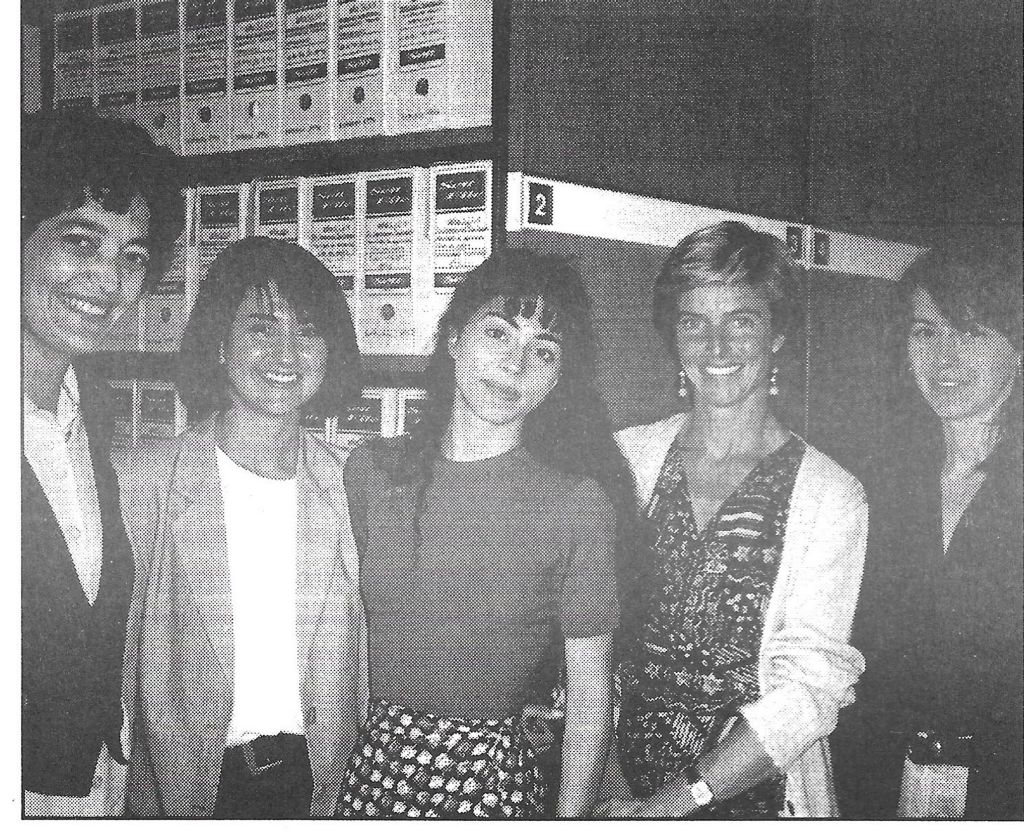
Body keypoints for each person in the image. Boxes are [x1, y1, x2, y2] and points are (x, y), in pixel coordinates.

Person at [335, 249, 622, 818]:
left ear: (560, 376)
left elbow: (592, 700)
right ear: (453, 339)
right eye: (499, 333)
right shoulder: (371, 471)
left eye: (542, 351)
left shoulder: (576, 504)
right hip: (368, 767)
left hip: (488, 784)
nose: (515, 367)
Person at [595, 221, 868, 818]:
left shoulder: (830, 495)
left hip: (750, 800)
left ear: (776, 335)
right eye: (694, 321)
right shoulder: (625, 458)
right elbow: (595, 636)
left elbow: (810, 691)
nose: (716, 347)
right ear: (673, 335)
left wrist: (678, 801)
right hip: (614, 791)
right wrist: (607, 782)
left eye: (741, 319)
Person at [119, 237, 367, 818]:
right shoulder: (143, 479)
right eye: (261, 326)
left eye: (307, 330)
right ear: (220, 347)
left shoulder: (355, 485)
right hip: (192, 782)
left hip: (323, 779)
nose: (286, 353)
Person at [22, 108, 184, 817]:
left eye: (132, 255)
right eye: (79, 241)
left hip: (89, 778)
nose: (107, 279)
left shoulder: (89, 402)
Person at [836, 236, 1023, 819]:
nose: (944, 359)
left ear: (1017, 347)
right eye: (926, 332)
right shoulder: (871, 476)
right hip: (873, 776)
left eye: (971, 334)